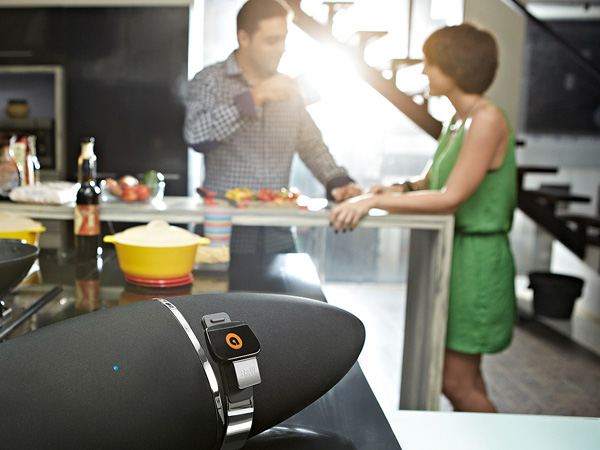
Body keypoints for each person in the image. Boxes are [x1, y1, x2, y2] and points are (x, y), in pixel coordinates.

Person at [330, 23, 517, 413]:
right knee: (467, 379)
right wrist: (390, 190)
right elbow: (429, 183)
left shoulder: (486, 119)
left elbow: (450, 198)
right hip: (454, 252)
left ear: (455, 68)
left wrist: (371, 203)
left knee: (455, 381)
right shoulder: (458, 120)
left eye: (431, 63)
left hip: (476, 262)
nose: (425, 71)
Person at [184, 0, 361, 253]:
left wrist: (337, 181)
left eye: (284, 39)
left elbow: (311, 146)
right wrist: (254, 98)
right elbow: (195, 135)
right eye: (272, 41)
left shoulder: (288, 87)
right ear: (243, 38)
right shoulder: (210, 80)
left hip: (278, 231)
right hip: (222, 232)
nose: (282, 49)